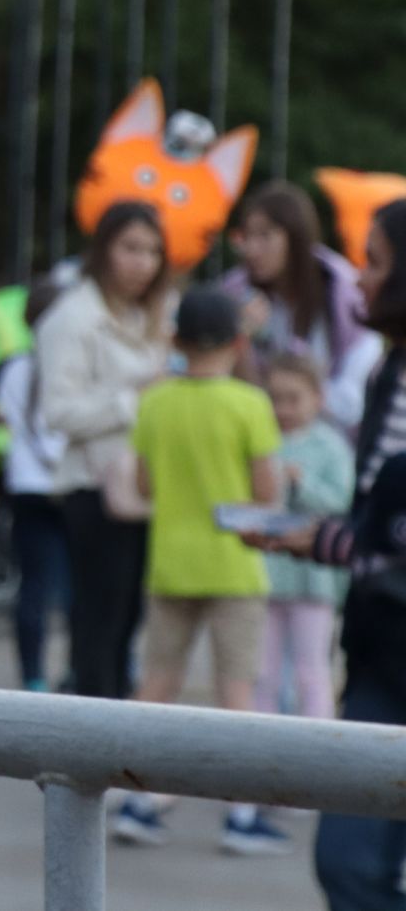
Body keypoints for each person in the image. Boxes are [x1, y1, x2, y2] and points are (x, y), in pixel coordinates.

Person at [244, 200, 406, 909]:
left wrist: (332, 538)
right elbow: (378, 527)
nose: (359, 282)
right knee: (349, 863)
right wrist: (315, 536)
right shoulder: (386, 371)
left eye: (374, 261)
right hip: (380, 651)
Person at [110, 286, 285, 853]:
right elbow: (265, 492)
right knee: (237, 693)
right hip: (234, 565)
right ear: (239, 341)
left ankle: (137, 801)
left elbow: (142, 486)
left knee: (157, 683)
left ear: (177, 339)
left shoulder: (156, 402)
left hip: (170, 562)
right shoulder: (249, 404)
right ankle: (241, 816)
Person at [39, 200, 174, 701]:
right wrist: (135, 401)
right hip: (94, 488)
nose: (143, 262)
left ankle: (119, 742)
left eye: (153, 251)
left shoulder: (153, 316)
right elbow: (58, 411)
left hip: (147, 486)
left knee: (130, 619)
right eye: (131, 248)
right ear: (103, 249)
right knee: (99, 619)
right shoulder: (72, 318)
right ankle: (96, 744)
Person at [0, 277, 68, 690]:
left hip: (24, 487)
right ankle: (81, 670)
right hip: (70, 485)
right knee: (81, 586)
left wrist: (10, 418)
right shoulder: (72, 366)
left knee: (32, 587)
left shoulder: (9, 366)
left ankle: (33, 677)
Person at [225, 181, 384, 437]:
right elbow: (228, 387)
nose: (252, 249)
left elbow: (353, 398)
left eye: (265, 236)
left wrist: (297, 398)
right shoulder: (234, 295)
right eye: (247, 236)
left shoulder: (342, 291)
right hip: (260, 444)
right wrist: (239, 340)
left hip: (334, 446)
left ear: (296, 235)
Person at [255, 352, 353, 724]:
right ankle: (261, 743)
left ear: (318, 398)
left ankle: (319, 745)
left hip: (314, 576)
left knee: (310, 670)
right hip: (267, 572)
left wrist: (301, 482)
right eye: (275, 398)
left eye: (293, 398)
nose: (283, 408)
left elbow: (340, 500)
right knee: (262, 670)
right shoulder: (262, 441)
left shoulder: (331, 445)